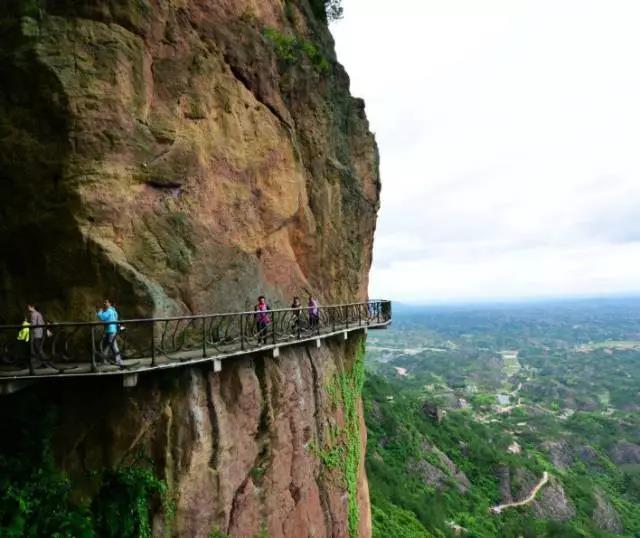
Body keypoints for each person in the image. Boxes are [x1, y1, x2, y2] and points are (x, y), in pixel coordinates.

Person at [97, 299, 124, 368]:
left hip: (110, 330)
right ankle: (116, 360)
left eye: (106, 302)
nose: (104, 304)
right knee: (110, 345)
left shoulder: (109, 311)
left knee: (110, 345)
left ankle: (113, 360)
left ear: (109, 303)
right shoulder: (113, 310)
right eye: (104, 302)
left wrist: (100, 312)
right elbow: (116, 317)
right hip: (112, 330)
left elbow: (103, 317)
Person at [27, 304, 48, 368]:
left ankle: (45, 362)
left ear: (32, 307)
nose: (28, 308)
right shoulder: (38, 313)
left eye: (29, 307)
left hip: (37, 333)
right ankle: (44, 363)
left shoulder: (34, 314)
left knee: (37, 348)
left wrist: (27, 324)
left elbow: (33, 324)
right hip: (40, 332)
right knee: (38, 348)